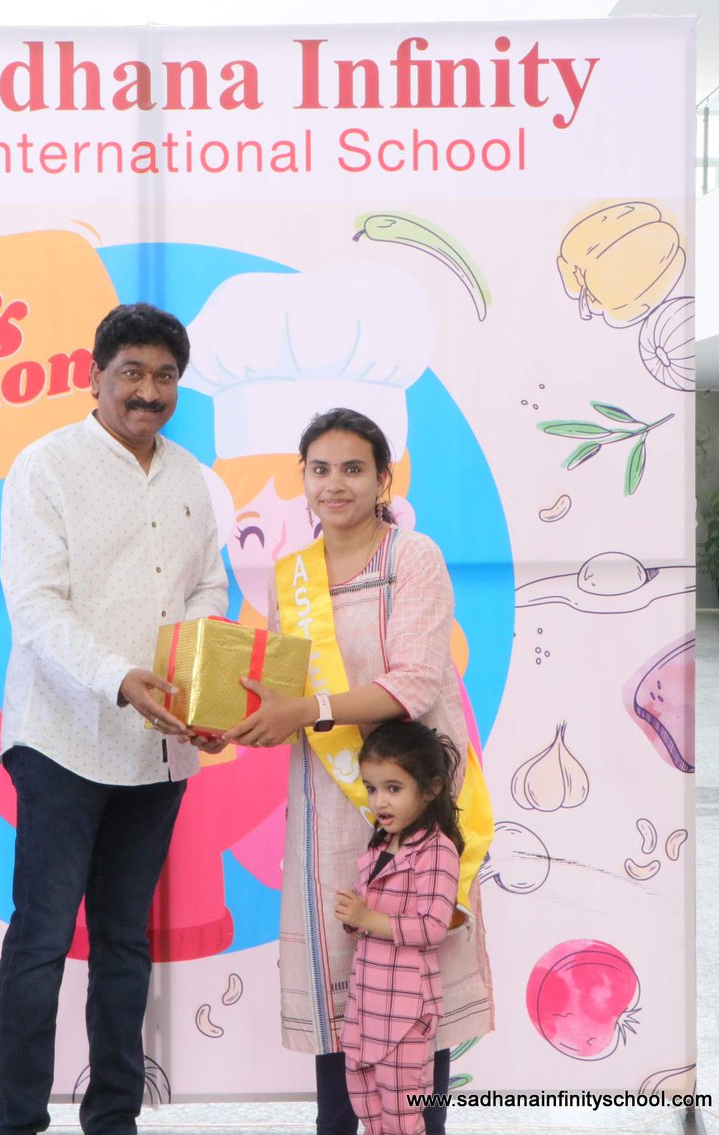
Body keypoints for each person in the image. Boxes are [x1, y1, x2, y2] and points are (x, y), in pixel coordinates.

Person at [0, 303, 229, 1135]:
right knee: (43, 936)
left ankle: (115, 1116)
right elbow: (35, 605)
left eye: (165, 376)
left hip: (157, 750)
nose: (148, 391)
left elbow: (208, 586)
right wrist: (120, 678)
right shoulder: (45, 467)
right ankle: (16, 1120)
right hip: (60, 737)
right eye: (131, 372)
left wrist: (199, 687)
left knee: (125, 941)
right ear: (93, 376)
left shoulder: (191, 476)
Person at [223, 407, 493, 1135]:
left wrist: (307, 708)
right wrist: (229, 719)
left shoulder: (414, 557)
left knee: (413, 979)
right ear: (303, 479)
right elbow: (287, 695)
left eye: (352, 468)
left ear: (383, 478)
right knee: (340, 979)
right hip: (327, 804)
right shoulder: (292, 576)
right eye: (319, 469)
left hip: (413, 803)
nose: (334, 484)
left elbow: (415, 683)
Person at [334, 722, 464, 1135]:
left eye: (393, 788)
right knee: (365, 1101)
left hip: (405, 1008)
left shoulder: (438, 850)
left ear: (430, 789)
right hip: (366, 1003)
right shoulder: (380, 844)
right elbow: (367, 916)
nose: (380, 801)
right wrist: (354, 918)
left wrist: (368, 918)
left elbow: (433, 927)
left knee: (403, 1113)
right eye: (372, 788)